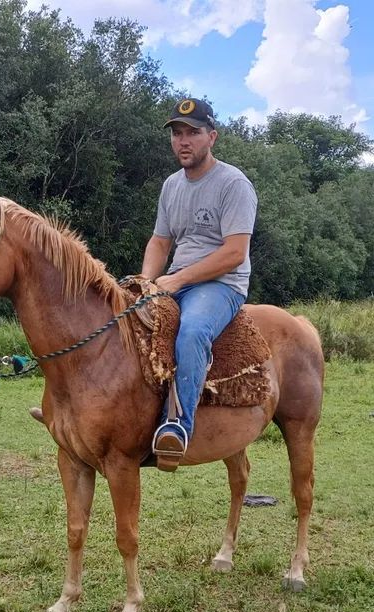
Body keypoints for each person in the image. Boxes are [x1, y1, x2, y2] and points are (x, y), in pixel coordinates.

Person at [141, 97, 257, 472]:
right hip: (175, 280)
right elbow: (160, 242)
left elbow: (234, 253)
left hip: (222, 285)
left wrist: (176, 279)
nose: (183, 141)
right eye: (177, 133)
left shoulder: (233, 184)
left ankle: (177, 426)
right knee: (122, 320)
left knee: (190, 333)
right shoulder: (171, 186)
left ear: (212, 137)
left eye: (193, 132)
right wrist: (145, 282)